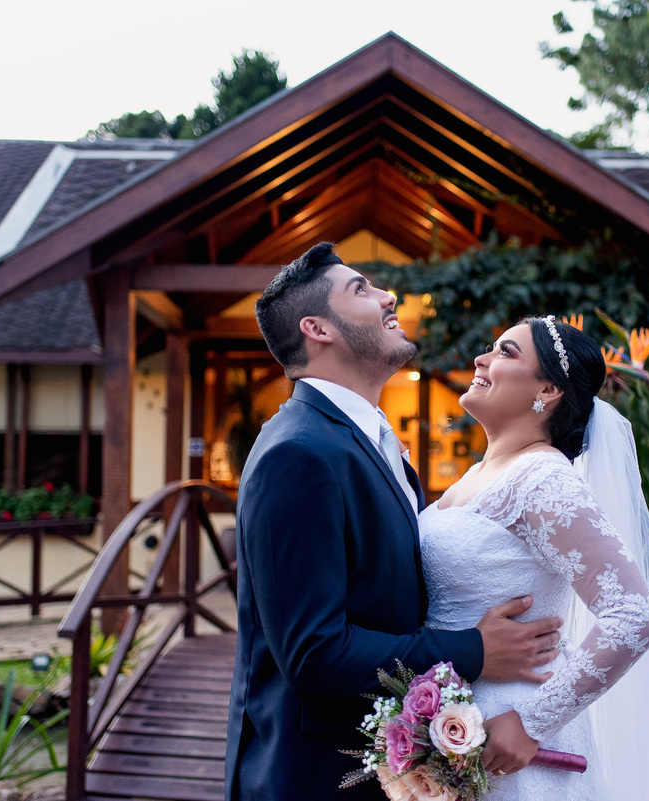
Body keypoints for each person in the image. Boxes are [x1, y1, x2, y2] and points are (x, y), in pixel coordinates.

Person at [225, 244, 564, 801]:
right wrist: (474, 650)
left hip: (387, 762)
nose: (388, 297)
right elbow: (314, 652)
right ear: (318, 329)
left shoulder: (369, 441)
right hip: (316, 776)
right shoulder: (298, 453)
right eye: (361, 289)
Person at [420, 315, 649, 800]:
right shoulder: (476, 476)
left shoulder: (542, 479)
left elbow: (635, 614)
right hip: (447, 721)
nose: (481, 359)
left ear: (548, 389)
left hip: (508, 737)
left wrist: (531, 722)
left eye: (506, 352)